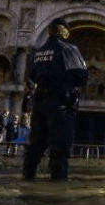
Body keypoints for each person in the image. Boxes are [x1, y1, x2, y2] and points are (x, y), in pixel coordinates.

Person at [23, 17, 89, 180]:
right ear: (64, 31)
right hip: (60, 103)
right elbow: (82, 76)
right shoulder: (68, 49)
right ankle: (57, 188)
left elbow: (31, 75)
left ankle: (27, 179)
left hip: (39, 103)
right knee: (60, 146)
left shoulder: (39, 52)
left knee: (36, 145)